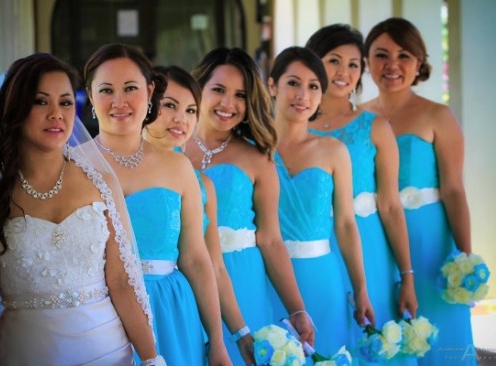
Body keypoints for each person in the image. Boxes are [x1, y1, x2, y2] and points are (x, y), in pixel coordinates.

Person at [0, 53, 164, 365]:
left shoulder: (100, 183)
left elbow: (121, 282)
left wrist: (153, 358)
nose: (56, 114)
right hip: (26, 354)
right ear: (16, 109)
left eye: (64, 102)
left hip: (108, 352)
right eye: (40, 102)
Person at [84, 44, 230, 366]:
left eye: (131, 88)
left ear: (150, 92)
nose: (119, 101)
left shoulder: (178, 168)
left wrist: (217, 340)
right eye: (106, 90)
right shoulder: (75, 165)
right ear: (91, 96)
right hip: (99, 313)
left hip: (171, 309)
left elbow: (195, 258)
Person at [183, 46, 315, 365]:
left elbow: (270, 239)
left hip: (241, 279)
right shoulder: (169, 148)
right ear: (198, 88)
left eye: (240, 95)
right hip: (183, 281)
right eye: (218, 90)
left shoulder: (258, 160)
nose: (229, 104)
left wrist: (297, 309)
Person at [361, 17, 477, 366]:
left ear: (419, 62)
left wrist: (465, 260)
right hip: (378, 240)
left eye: (404, 56)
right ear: (367, 61)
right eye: (381, 55)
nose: (392, 65)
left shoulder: (438, 116)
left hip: (430, 243)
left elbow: (455, 190)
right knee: (389, 334)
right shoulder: (359, 119)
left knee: (443, 333)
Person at [305, 24, 418, 364]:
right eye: (334, 60)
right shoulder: (288, 129)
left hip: (368, 247)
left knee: (372, 338)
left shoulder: (375, 127)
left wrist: (407, 276)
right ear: (313, 63)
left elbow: (391, 205)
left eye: (354, 64)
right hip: (312, 248)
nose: (344, 72)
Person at [267, 46, 374, 358]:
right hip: (266, 276)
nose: (303, 95)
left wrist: (361, 288)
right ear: (272, 86)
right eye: (293, 83)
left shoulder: (333, 151)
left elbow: (344, 223)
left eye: (313, 86)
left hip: (321, 276)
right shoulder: (251, 148)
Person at [145, 65, 255, 365]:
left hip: (174, 310)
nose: (181, 119)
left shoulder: (201, 184)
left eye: (191, 110)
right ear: (146, 102)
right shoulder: (110, 169)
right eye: (170, 106)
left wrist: (235, 334)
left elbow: (211, 266)